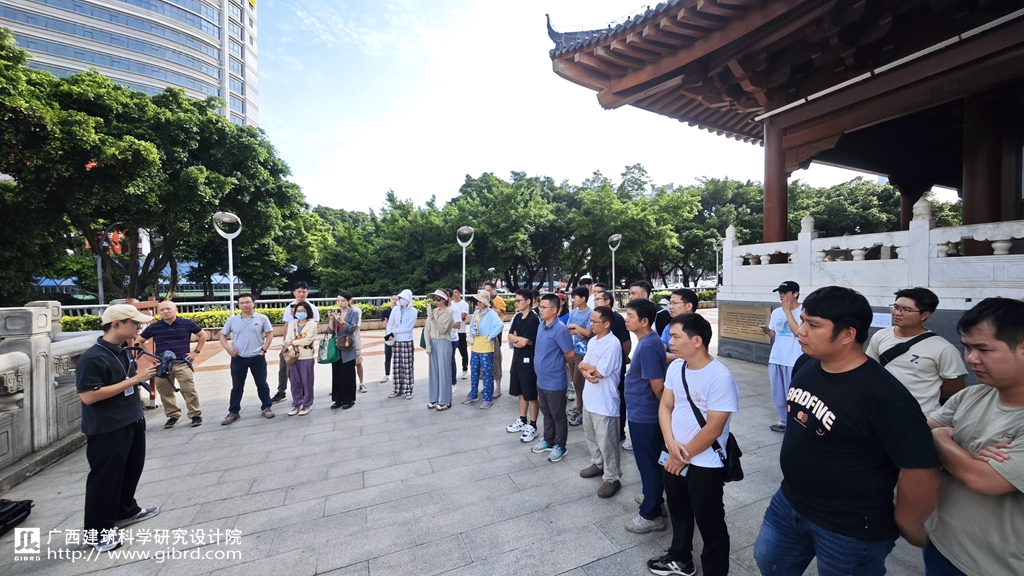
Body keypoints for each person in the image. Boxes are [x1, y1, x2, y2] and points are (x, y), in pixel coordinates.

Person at [754, 286, 942, 576]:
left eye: (813, 325)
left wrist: (908, 523)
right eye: (802, 321)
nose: (801, 331)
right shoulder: (806, 363)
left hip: (850, 528)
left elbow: (921, 469)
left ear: (847, 335)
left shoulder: (886, 396)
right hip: (789, 502)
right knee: (770, 564)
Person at [923, 297, 1024, 576]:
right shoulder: (972, 395)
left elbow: (981, 479)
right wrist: (961, 454)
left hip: (995, 565)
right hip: (941, 543)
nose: (971, 359)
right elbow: (918, 435)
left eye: (983, 349)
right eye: (967, 347)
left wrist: (941, 438)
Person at [648, 313, 738, 576]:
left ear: (697, 340)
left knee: (711, 523)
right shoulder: (677, 367)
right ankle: (680, 558)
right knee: (679, 510)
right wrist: (669, 442)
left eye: (676, 336)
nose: (670, 342)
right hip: (673, 454)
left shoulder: (719, 377)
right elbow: (666, 406)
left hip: (705, 463)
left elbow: (714, 429)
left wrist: (681, 456)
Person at [76, 304, 161, 552]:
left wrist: (141, 377)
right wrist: (135, 379)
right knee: (105, 478)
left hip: (131, 419)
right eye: (134, 323)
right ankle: (98, 532)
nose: (139, 328)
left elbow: (127, 381)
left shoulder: (123, 350)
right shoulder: (93, 357)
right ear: (116, 324)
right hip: (107, 427)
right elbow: (89, 396)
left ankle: (126, 510)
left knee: (131, 469)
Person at [866, 287, 967, 414]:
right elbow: (870, 370)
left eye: (906, 310)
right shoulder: (880, 336)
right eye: (896, 307)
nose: (897, 313)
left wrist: (928, 395)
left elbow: (955, 387)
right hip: (883, 412)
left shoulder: (943, 348)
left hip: (921, 415)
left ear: (924, 315)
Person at [623, 298, 669, 534]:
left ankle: (651, 515)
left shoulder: (649, 345)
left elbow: (658, 386)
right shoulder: (647, 341)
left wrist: (665, 413)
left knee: (649, 464)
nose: (626, 319)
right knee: (649, 463)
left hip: (646, 415)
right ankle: (654, 499)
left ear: (644, 321)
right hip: (641, 411)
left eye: (631, 316)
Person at [578, 306, 624, 498]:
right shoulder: (593, 341)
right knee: (591, 436)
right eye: (590, 321)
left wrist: (586, 368)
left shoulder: (612, 344)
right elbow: (582, 365)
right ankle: (598, 463)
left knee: (607, 442)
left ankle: (612, 478)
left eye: (594, 321)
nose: (590, 324)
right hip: (590, 398)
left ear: (606, 324)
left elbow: (600, 372)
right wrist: (585, 370)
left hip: (605, 402)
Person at [137, 300, 206, 428]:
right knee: (165, 391)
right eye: (162, 310)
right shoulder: (154, 327)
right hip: (162, 364)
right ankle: (173, 415)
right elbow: (139, 341)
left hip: (182, 362)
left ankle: (195, 414)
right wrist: (148, 357)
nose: (165, 311)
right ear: (158, 313)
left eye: (168, 308)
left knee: (189, 389)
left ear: (176, 310)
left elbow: (202, 335)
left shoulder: (187, 323)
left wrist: (196, 352)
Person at [219, 294, 276, 425]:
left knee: (262, 384)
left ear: (253, 303)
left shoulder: (262, 318)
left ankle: (266, 407)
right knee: (237, 386)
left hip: (257, 357)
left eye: (247, 302)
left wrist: (264, 350)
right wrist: (228, 348)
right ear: (238, 305)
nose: (245, 305)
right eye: (242, 303)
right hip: (238, 358)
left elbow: (269, 334)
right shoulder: (232, 320)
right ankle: (234, 412)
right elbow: (222, 335)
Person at [532, 293, 575, 463]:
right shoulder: (541, 325)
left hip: (555, 380)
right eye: (540, 306)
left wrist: (556, 364)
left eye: (544, 307)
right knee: (546, 412)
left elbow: (569, 354)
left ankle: (560, 445)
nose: (540, 310)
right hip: (541, 379)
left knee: (558, 415)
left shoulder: (560, 329)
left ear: (554, 310)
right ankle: (548, 439)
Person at [760, 281, 803, 433]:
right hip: (777, 357)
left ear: (795, 294)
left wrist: (787, 312)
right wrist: (768, 332)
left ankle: (797, 422)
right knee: (778, 393)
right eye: (780, 293)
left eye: (785, 293)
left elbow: (798, 332)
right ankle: (784, 421)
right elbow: (775, 334)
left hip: (794, 359)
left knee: (794, 394)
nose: (781, 296)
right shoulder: (776, 312)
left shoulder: (804, 311)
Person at [595, 290, 633, 447]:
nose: (595, 301)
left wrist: (621, 358)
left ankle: (619, 431)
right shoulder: (598, 320)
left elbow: (626, 342)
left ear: (607, 302)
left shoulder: (616, 319)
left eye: (598, 298)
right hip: (600, 367)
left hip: (614, 367)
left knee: (617, 396)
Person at [273, 281, 320, 404]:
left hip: (303, 346)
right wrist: (286, 343)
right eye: (299, 291)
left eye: (304, 291)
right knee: (284, 369)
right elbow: (286, 325)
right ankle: (281, 392)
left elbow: (314, 326)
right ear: (294, 292)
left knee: (304, 372)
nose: (301, 294)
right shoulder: (289, 307)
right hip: (289, 345)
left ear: (307, 293)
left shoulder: (312, 308)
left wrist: (297, 342)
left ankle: (304, 395)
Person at [506, 288, 541, 442]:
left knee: (530, 393)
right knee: (520, 391)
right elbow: (509, 336)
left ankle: (533, 425)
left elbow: (524, 342)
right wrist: (518, 339)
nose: (516, 303)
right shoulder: (517, 317)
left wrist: (518, 339)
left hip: (529, 360)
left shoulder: (533, 319)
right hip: (517, 359)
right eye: (515, 300)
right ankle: (522, 420)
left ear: (528, 301)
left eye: (519, 300)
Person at [463, 291, 503, 408]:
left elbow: (500, 325)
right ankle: (473, 393)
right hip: (476, 346)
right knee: (474, 371)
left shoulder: (491, 313)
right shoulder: (476, 313)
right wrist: (473, 332)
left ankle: (487, 398)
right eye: (478, 301)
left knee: (487, 373)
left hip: (486, 347)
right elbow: (471, 327)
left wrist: (490, 336)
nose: (478, 303)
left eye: (481, 301)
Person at [283, 301, 318, 415]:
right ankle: (296, 404)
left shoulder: (312, 324)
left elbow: (308, 340)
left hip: (306, 356)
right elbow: (287, 339)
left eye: (303, 311)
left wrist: (292, 343)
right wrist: (291, 349)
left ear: (308, 312)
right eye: (298, 311)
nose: (300, 313)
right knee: (294, 382)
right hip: (293, 356)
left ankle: (307, 404)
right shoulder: (293, 324)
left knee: (307, 382)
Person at [566, 286, 593, 426]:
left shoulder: (590, 313)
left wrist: (575, 328)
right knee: (575, 382)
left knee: (578, 382)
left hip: (583, 354)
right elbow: (567, 329)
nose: (573, 300)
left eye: (575, 298)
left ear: (583, 298)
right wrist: (579, 331)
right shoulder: (573, 313)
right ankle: (579, 406)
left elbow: (588, 334)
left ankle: (582, 411)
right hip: (572, 351)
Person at [424, 289, 454, 411]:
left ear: (444, 300)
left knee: (444, 372)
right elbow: (427, 330)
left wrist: (433, 319)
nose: (436, 301)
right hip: (433, 342)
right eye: (434, 299)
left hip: (443, 342)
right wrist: (428, 345)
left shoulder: (449, 313)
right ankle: (433, 398)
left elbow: (442, 330)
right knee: (433, 372)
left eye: (438, 299)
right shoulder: (433, 312)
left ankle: (444, 400)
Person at [330, 292, 361, 409]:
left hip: (348, 345)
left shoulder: (354, 313)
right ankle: (338, 399)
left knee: (348, 373)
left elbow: (352, 328)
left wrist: (341, 321)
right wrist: (331, 320)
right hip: (337, 346)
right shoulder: (336, 313)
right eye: (338, 301)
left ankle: (349, 399)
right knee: (337, 372)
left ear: (348, 301)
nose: (340, 303)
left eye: (343, 301)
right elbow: (330, 330)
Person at [385, 289, 417, 399]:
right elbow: (390, 324)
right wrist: (389, 333)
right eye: (401, 298)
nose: (402, 300)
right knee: (396, 366)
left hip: (407, 341)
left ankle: (409, 390)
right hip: (396, 341)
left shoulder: (413, 311)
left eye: (404, 298)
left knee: (407, 367)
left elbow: (408, 328)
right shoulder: (395, 309)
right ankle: (396, 389)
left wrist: (394, 331)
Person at [662, 289, 699, 364]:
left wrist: (671, 356)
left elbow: (695, 356)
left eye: (674, 303)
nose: (670, 307)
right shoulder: (669, 327)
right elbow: (660, 354)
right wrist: (680, 357)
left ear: (688, 306)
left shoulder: (699, 327)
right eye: (670, 303)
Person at [483, 282, 506, 397]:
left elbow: (502, 312)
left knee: (496, 359)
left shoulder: (498, 300)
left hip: (495, 334)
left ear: (493, 290)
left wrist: (491, 309)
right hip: (483, 339)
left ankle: (498, 388)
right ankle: (487, 385)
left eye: (488, 290)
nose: (487, 292)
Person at [451, 287, 471, 380]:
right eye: (453, 292)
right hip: (451, 332)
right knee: (451, 354)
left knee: (463, 352)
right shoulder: (450, 304)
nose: (454, 294)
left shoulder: (464, 304)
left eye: (456, 292)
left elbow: (463, 317)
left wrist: (453, 317)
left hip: (461, 331)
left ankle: (465, 369)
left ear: (459, 293)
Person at [380, 293, 397, 383]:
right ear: (390, 300)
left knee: (398, 356)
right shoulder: (386, 311)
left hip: (398, 335)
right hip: (388, 334)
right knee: (387, 355)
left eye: (396, 299)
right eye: (393, 299)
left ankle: (398, 374)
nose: (395, 301)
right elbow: (384, 323)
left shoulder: (400, 311)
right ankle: (387, 374)